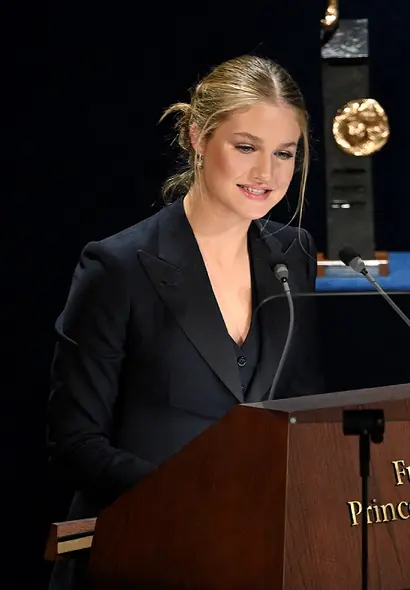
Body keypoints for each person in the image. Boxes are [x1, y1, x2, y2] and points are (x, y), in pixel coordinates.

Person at [46, 55, 322, 590]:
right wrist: (197, 499)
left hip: (258, 559)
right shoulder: (119, 267)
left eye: (284, 153)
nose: (266, 173)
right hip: (140, 557)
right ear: (197, 138)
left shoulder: (294, 253)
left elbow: (301, 404)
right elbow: (75, 443)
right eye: (246, 147)